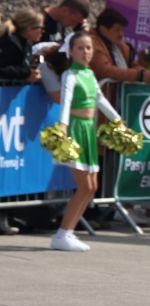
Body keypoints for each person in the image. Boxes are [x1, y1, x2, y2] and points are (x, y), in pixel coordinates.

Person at [50, 32, 124, 252]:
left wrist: (117, 120)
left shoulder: (90, 74)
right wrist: (63, 125)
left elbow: (99, 99)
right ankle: (63, 234)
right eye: (80, 48)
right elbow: (66, 101)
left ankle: (68, 232)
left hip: (88, 130)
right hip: (75, 129)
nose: (85, 52)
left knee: (92, 187)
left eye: (89, 48)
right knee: (84, 186)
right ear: (71, 52)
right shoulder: (69, 75)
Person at [89, 8, 150, 88]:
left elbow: (133, 65)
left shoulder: (120, 46)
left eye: (122, 30)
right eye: (117, 30)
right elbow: (105, 70)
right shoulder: (91, 44)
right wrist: (138, 76)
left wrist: (145, 72)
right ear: (103, 29)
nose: (121, 34)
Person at [0, 9, 45, 83]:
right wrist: (26, 74)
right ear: (29, 28)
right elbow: (3, 70)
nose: (43, 31)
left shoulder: (27, 43)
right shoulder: (9, 43)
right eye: (41, 28)